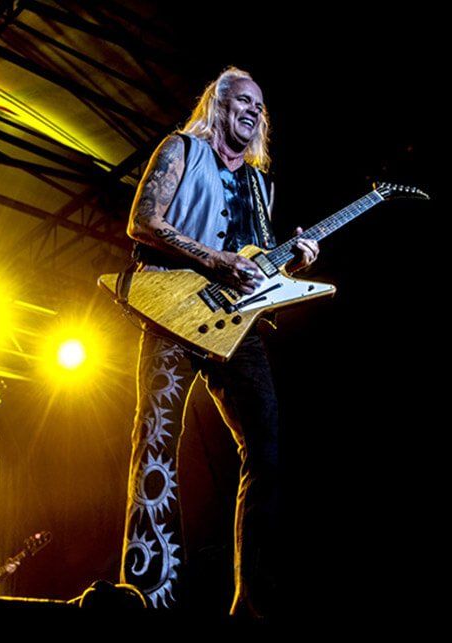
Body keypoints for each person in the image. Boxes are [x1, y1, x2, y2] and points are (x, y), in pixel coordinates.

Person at [119, 66, 319, 619]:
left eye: (260, 105)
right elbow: (142, 221)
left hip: (236, 326)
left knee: (266, 450)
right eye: (244, 100)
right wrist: (213, 259)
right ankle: (148, 594)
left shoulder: (259, 183)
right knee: (156, 440)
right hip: (171, 311)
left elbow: (255, 263)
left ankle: (251, 602)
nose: (254, 110)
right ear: (219, 103)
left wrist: (291, 260)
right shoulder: (181, 148)